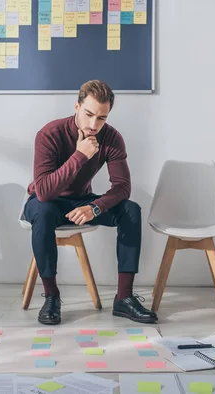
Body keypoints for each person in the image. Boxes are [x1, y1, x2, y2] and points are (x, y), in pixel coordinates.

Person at [24, 80, 157, 325]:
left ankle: (124, 298)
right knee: (42, 211)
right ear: (77, 106)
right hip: (46, 202)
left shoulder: (112, 138)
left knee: (131, 210)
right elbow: (43, 191)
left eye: (102, 118)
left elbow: (122, 187)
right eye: (88, 115)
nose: (94, 125)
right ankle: (51, 296)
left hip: (82, 202)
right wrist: (80, 155)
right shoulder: (49, 134)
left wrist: (95, 207)